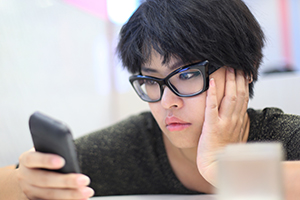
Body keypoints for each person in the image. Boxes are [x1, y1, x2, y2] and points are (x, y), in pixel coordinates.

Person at [1, 0, 300, 199]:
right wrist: (25, 181)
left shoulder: (282, 137)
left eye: (186, 74)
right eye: (150, 80)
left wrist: (221, 166)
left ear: (242, 74)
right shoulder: (139, 143)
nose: (166, 102)